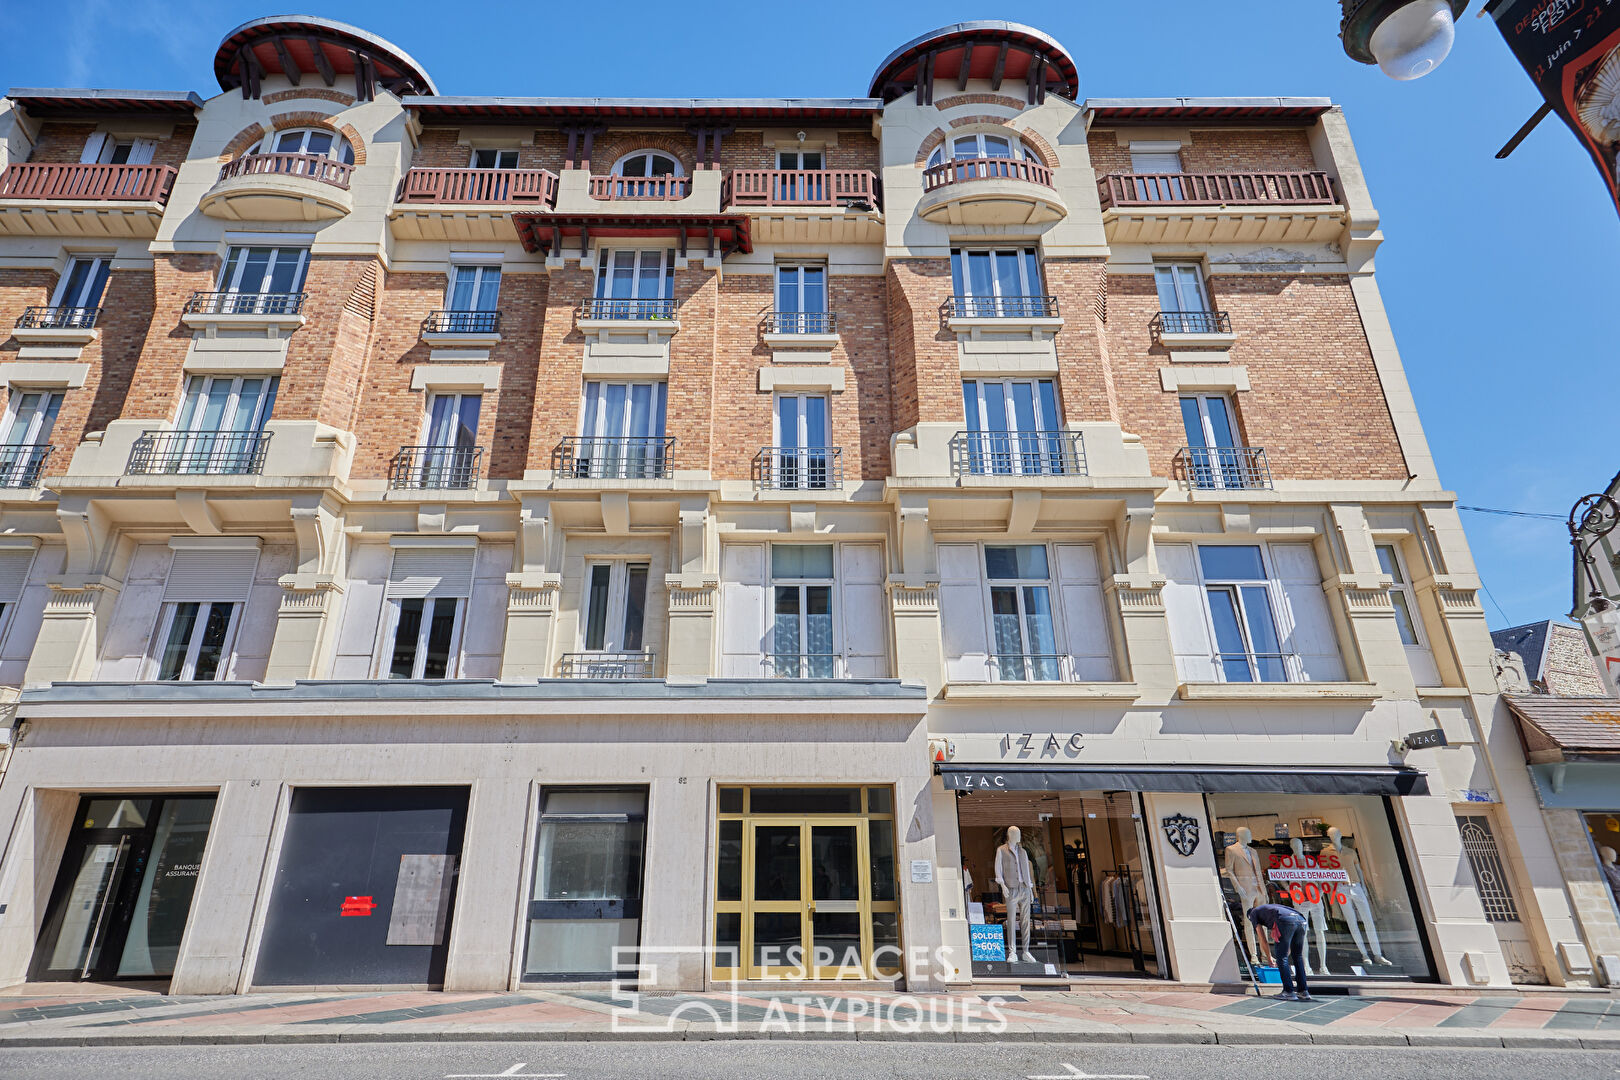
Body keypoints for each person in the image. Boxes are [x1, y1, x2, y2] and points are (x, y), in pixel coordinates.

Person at [1247, 901, 1313, 1001]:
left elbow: (1262, 939)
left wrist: (1269, 958)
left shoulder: (1253, 913)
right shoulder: (1270, 908)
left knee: (1281, 958)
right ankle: (1303, 991)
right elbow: (1288, 945)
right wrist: (1284, 955)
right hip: (1301, 919)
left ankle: (1288, 991)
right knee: (1297, 956)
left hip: (1285, 920)